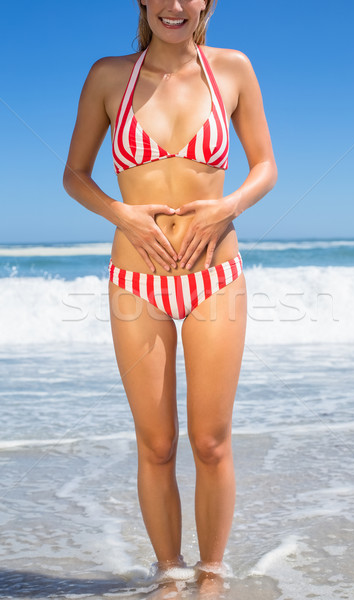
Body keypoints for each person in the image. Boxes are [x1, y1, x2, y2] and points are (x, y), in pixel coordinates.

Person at [63, 0, 277, 590]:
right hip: (137, 279)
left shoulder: (232, 69)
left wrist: (228, 206)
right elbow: (74, 173)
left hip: (215, 275)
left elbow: (265, 166)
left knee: (210, 442)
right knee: (156, 444)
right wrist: (123, 216)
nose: (174, 6)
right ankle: (169, 574)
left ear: (206, 3)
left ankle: (211, 575)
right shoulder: (110, 76)